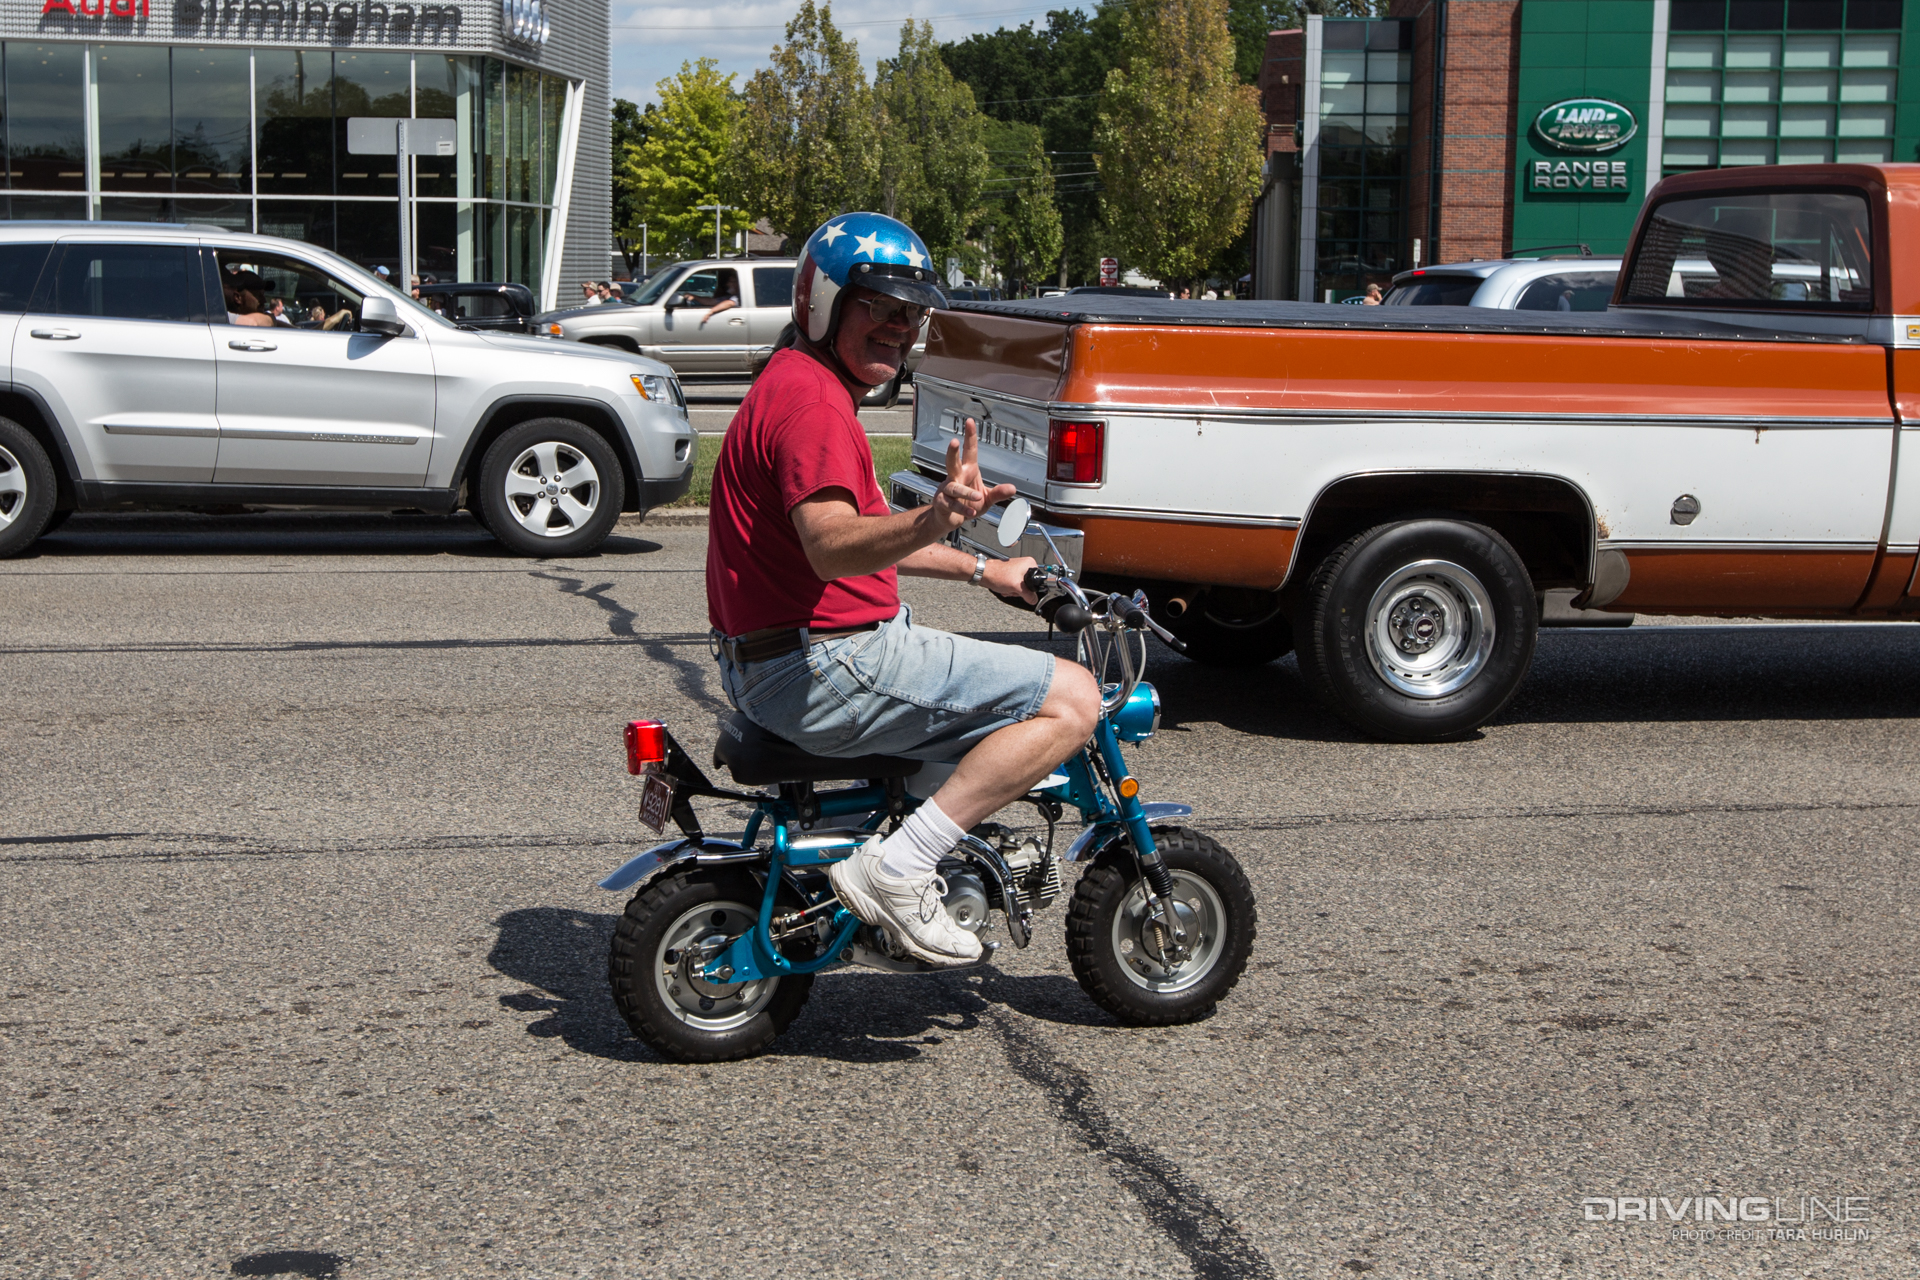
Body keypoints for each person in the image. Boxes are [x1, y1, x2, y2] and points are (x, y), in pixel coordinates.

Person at [706, 212, 1101, 966]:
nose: (899, 327)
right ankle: (900, 868)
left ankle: (904, 858)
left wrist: (989, 570)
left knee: (957, 675)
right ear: (822, 301)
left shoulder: (794, 381)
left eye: (912, 313)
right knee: (1073, 696)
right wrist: (936, 518)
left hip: (775, 658)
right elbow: (833, 548)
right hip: (823, 667)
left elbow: (858, 535)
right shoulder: (817, 408)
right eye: (879, 307)